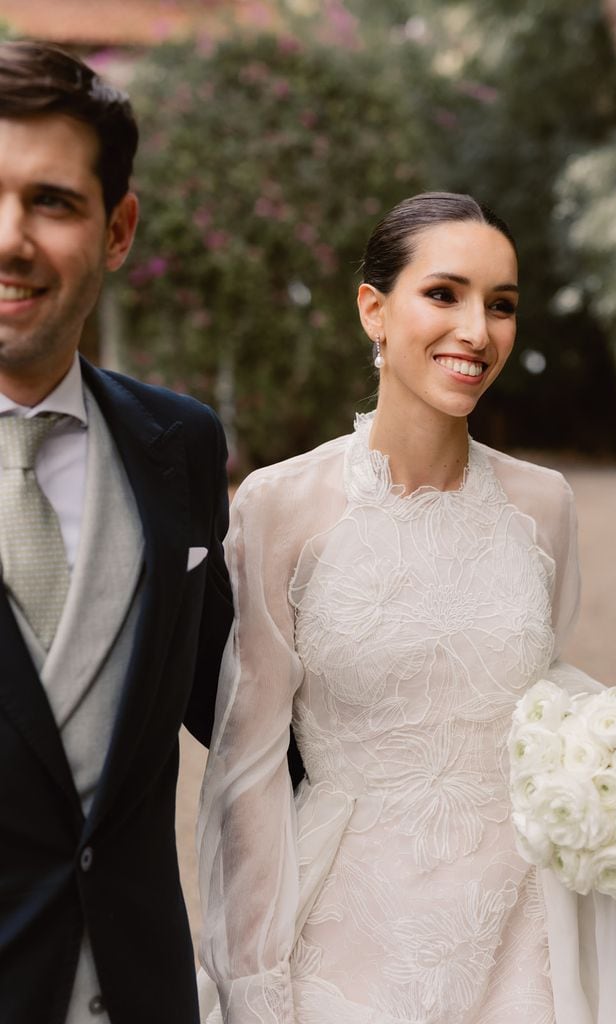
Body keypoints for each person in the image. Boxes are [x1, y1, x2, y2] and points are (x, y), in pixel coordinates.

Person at [197, 191, 616, 1024]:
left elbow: (546, 692)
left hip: (527, 939)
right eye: (445, 294)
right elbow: (247, 774)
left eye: (502, 306)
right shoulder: (279, 505)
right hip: (344, 932)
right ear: (374, 311)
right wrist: (251, 982)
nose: (477, 331)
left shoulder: (546, 506)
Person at [0, 41, 232, 1024]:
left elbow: (241, 706)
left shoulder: (180, 444)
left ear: (117, 228)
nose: (10, 237)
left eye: (51, 201)